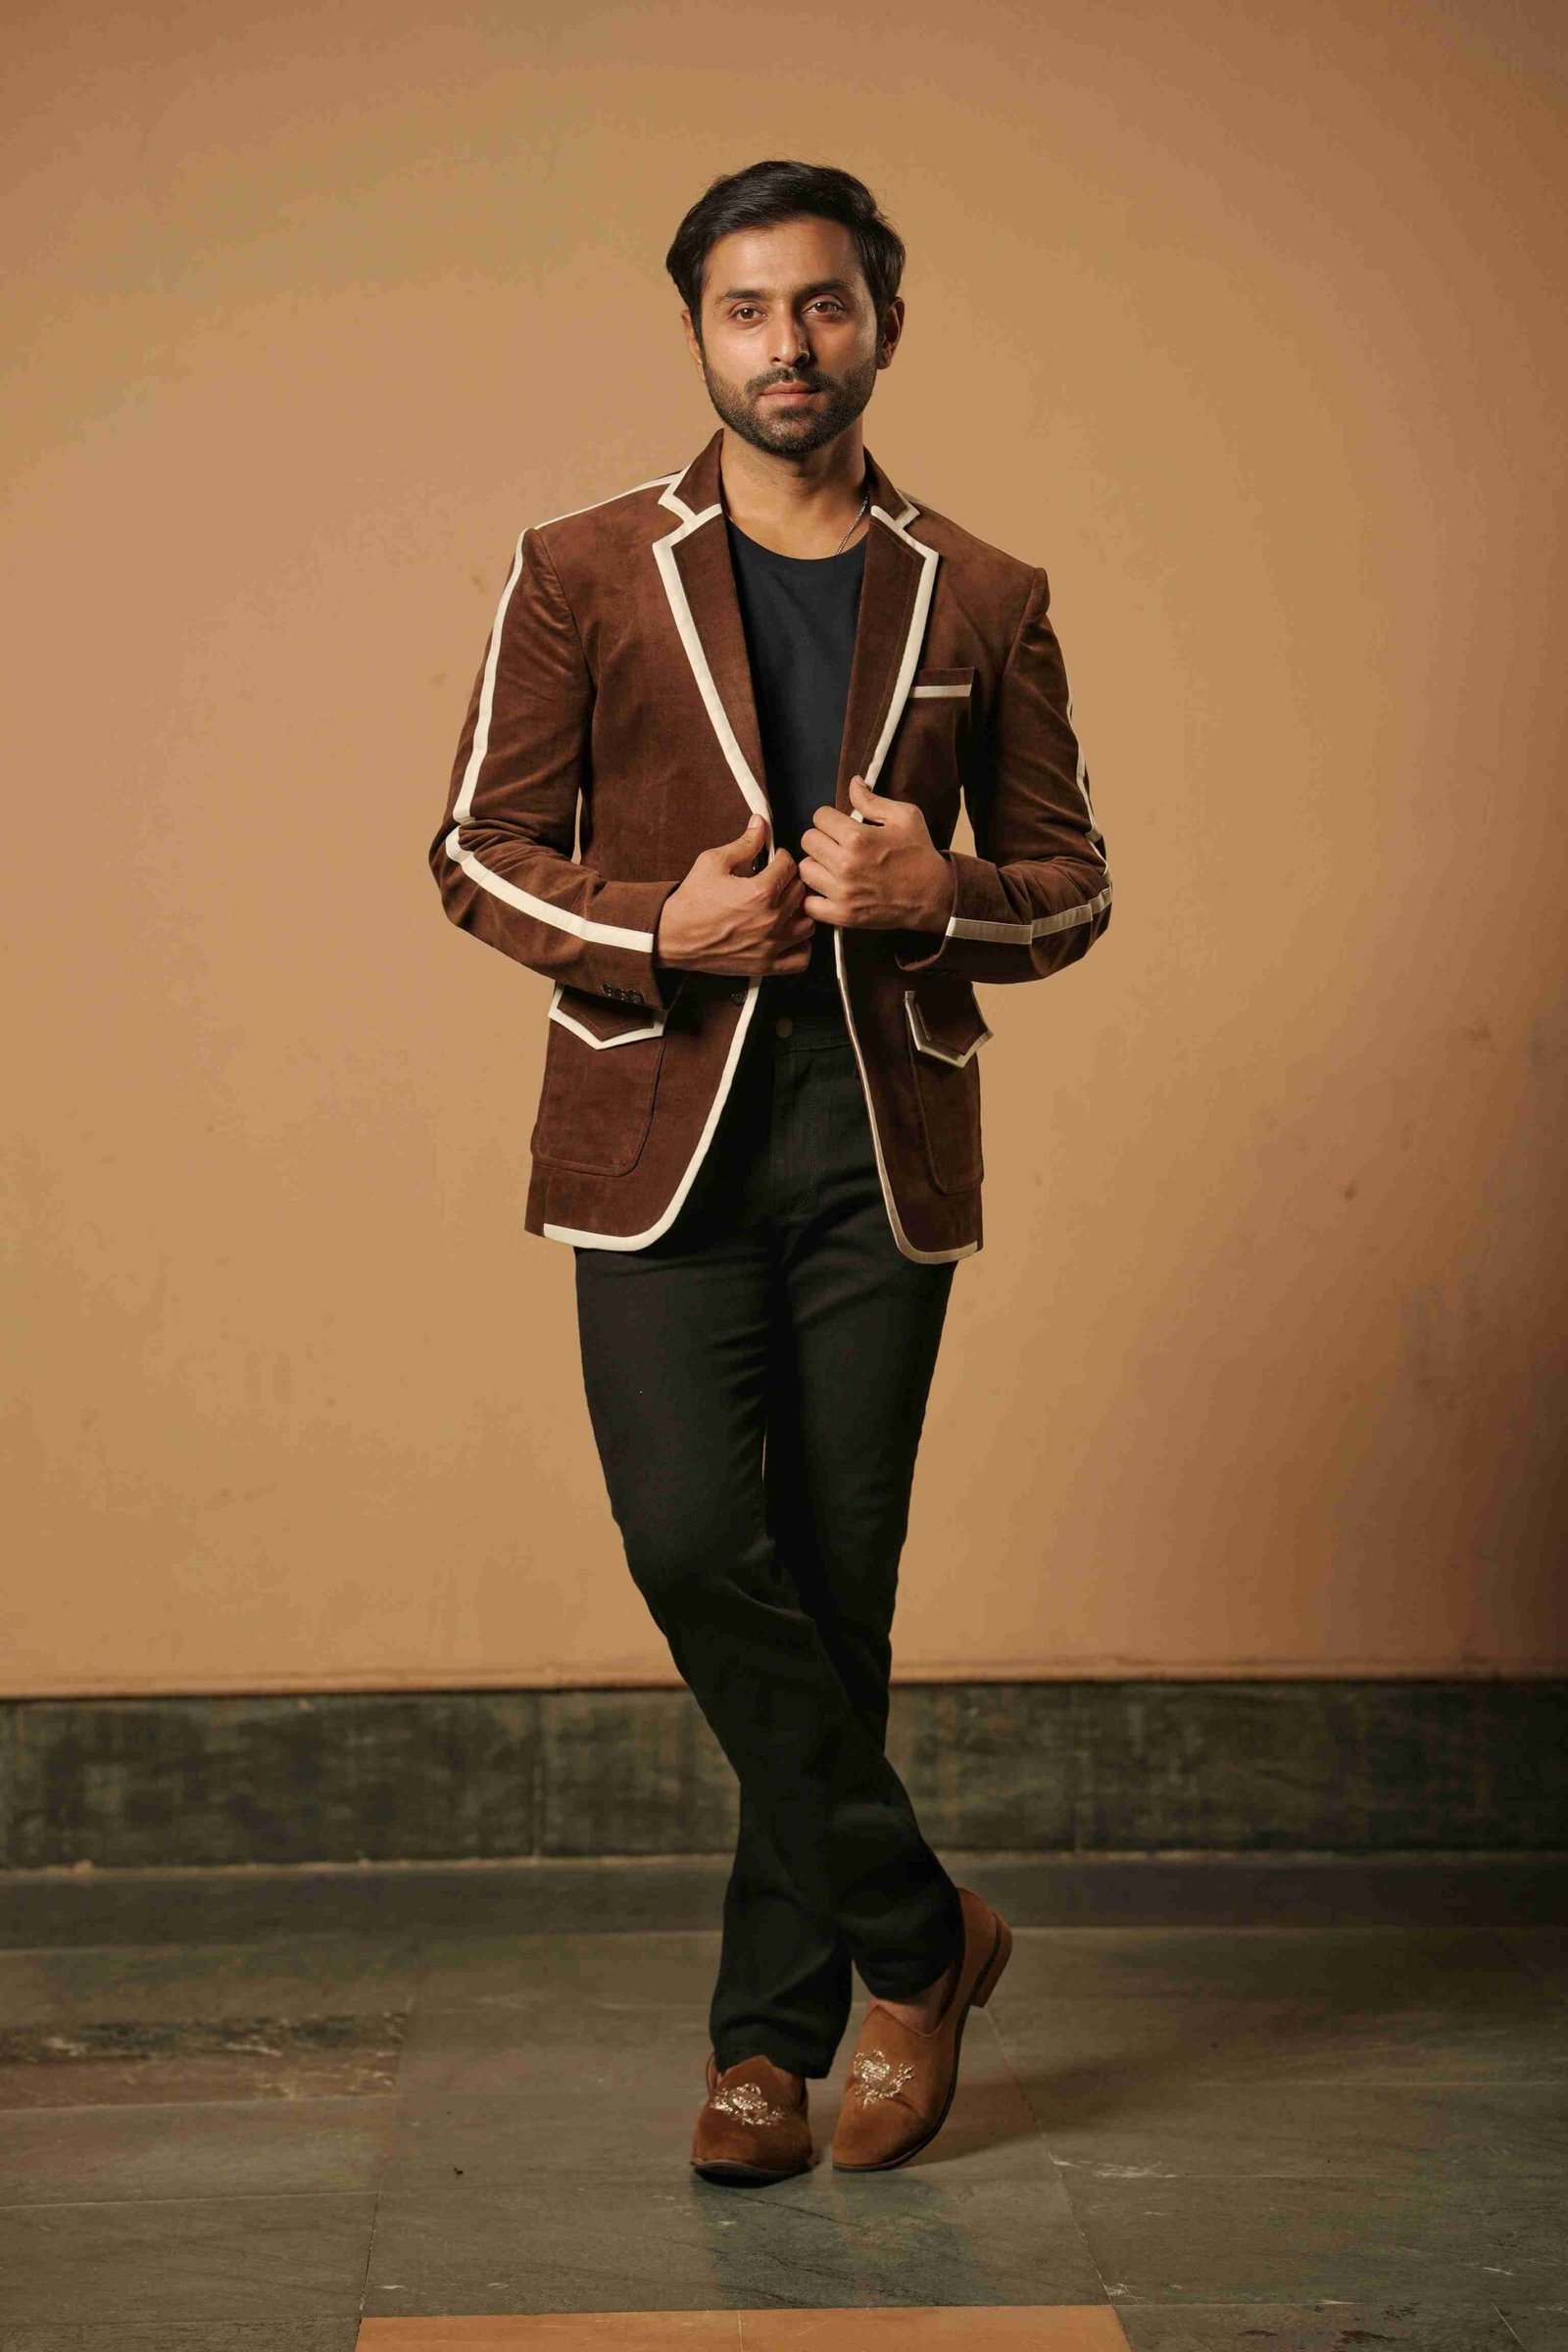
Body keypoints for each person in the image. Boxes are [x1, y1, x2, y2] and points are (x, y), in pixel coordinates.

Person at [428, 158, 1113, 2183]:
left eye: (821, 304)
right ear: (696, 333)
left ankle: (764, 2048)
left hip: (874, 1145)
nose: (785, 344)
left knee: (831, 1588)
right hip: (656, 1134)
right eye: (745, 308)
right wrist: (660, 926)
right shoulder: (578, 569)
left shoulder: (982, 593)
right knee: (687, 1545)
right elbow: (472, 849)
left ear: (880, 321)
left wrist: (934, 893)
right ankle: (918, 1936)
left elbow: (1071, 888)